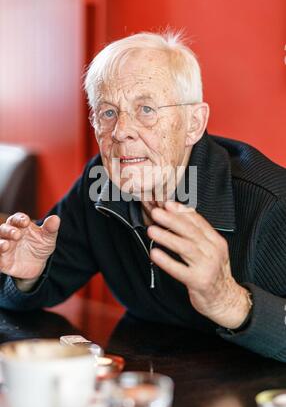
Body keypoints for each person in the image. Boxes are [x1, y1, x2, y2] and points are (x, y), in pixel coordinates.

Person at [0, 32, 286, 362]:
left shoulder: (271, 204)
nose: (121, 131)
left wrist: (231, 301)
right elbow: (35, 289)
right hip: (152, 382)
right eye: (107, 113)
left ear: (194, 123)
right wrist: (27, 276)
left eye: (146, 109)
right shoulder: (102, 183)